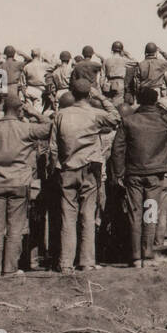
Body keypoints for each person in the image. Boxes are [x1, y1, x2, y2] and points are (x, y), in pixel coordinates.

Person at [110, 87, 167, 268]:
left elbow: (117, 150)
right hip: (156, 175)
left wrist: (118, 173)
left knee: (135, 215)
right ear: (156, 100)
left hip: (133, 174)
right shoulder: (163, 120)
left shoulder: (128, 121)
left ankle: (135, 257)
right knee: (150, 214)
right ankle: (147, 255)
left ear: (139, 100)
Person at [50, 80, 120, 272]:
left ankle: (65, 263)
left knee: (68, 217)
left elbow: (53, 148)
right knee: (88, 216)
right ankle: (87, 261)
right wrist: (101, 97)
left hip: (67, 169)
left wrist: (55, 170)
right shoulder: (94, 114)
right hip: (90, 169)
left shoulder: (60, 115)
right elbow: (116, 117)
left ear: (72, 93)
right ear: (89, 94)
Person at [0, 97, 50, 279]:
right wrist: (35, 113)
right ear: (20, 110)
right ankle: (9, 269)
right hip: (19, 183)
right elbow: (52, 127)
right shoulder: (25, 128)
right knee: (15, 228)